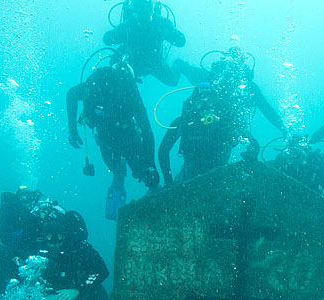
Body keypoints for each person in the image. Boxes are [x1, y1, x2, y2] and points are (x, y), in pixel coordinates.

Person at [67, 60, 160, 220]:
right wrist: (151, 166)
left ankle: (128, 176)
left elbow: (71, 94)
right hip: (122, 136)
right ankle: (151, 190)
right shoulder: (128, 89)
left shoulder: (98, 83)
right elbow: (146, 129)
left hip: (108, 137)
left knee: (119, 168)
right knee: (140, 171)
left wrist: (73, 130)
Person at [158, 81, 237, 184]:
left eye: (209, 101)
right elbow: (163, 150)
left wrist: (252, 147)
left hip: (221, 170)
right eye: (200, 101)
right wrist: (168, 181)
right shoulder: (183, 123)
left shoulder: (224, 120)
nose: (205, 105)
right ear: (192, 102)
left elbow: (244, 137)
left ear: (216, 101)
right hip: (190, 174)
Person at [103, 0, 186, 86]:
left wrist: (168, 30)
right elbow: (107, 39)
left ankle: (178, 63)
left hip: (153, 63)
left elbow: (181, 41)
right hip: (135, 63)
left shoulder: (159, 23)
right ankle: (179, 64)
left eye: (146, 7)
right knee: (117, 80)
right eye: (140, 8)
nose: (143, 11)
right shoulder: (129, 25)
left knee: (172, 81)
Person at [265, 135, 324, 204]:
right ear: (288, 150)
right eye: (294, 151)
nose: (296, 156)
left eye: (300, 152)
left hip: (309, 203)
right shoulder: (281, 162)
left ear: (306, 151)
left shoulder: (315, 165)